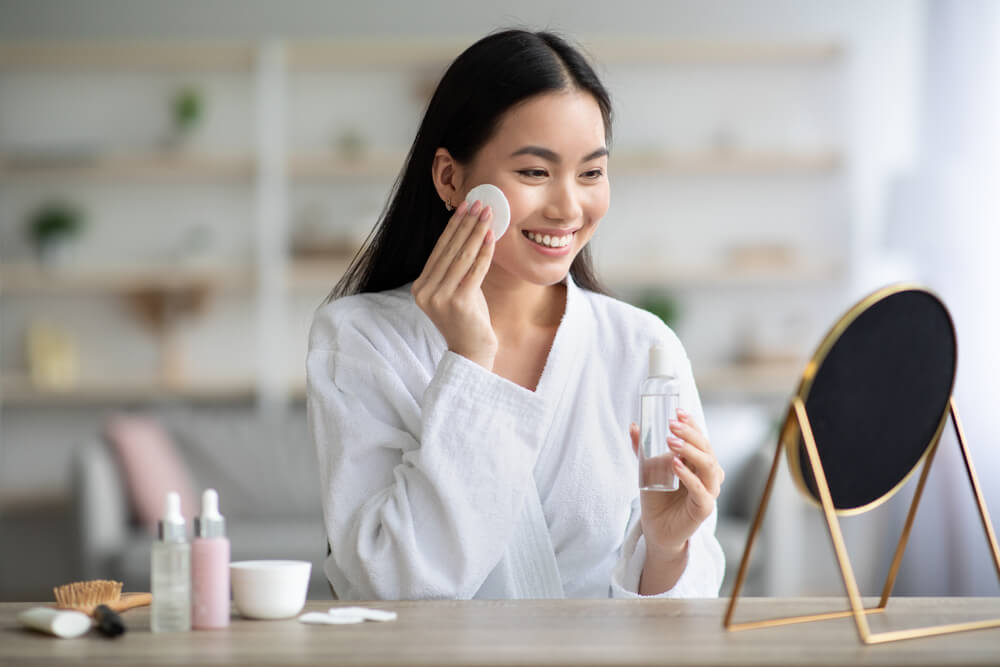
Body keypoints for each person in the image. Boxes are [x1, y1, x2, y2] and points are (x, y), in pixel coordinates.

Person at [306, 29, 725, 600]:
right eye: (534, 172)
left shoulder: (642, 346)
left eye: (592, 172)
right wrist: (469, 365)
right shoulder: (360, 339)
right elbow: (388, 587)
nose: (568, 206)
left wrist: (668, 547)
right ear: (450, 178)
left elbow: (679, 621)